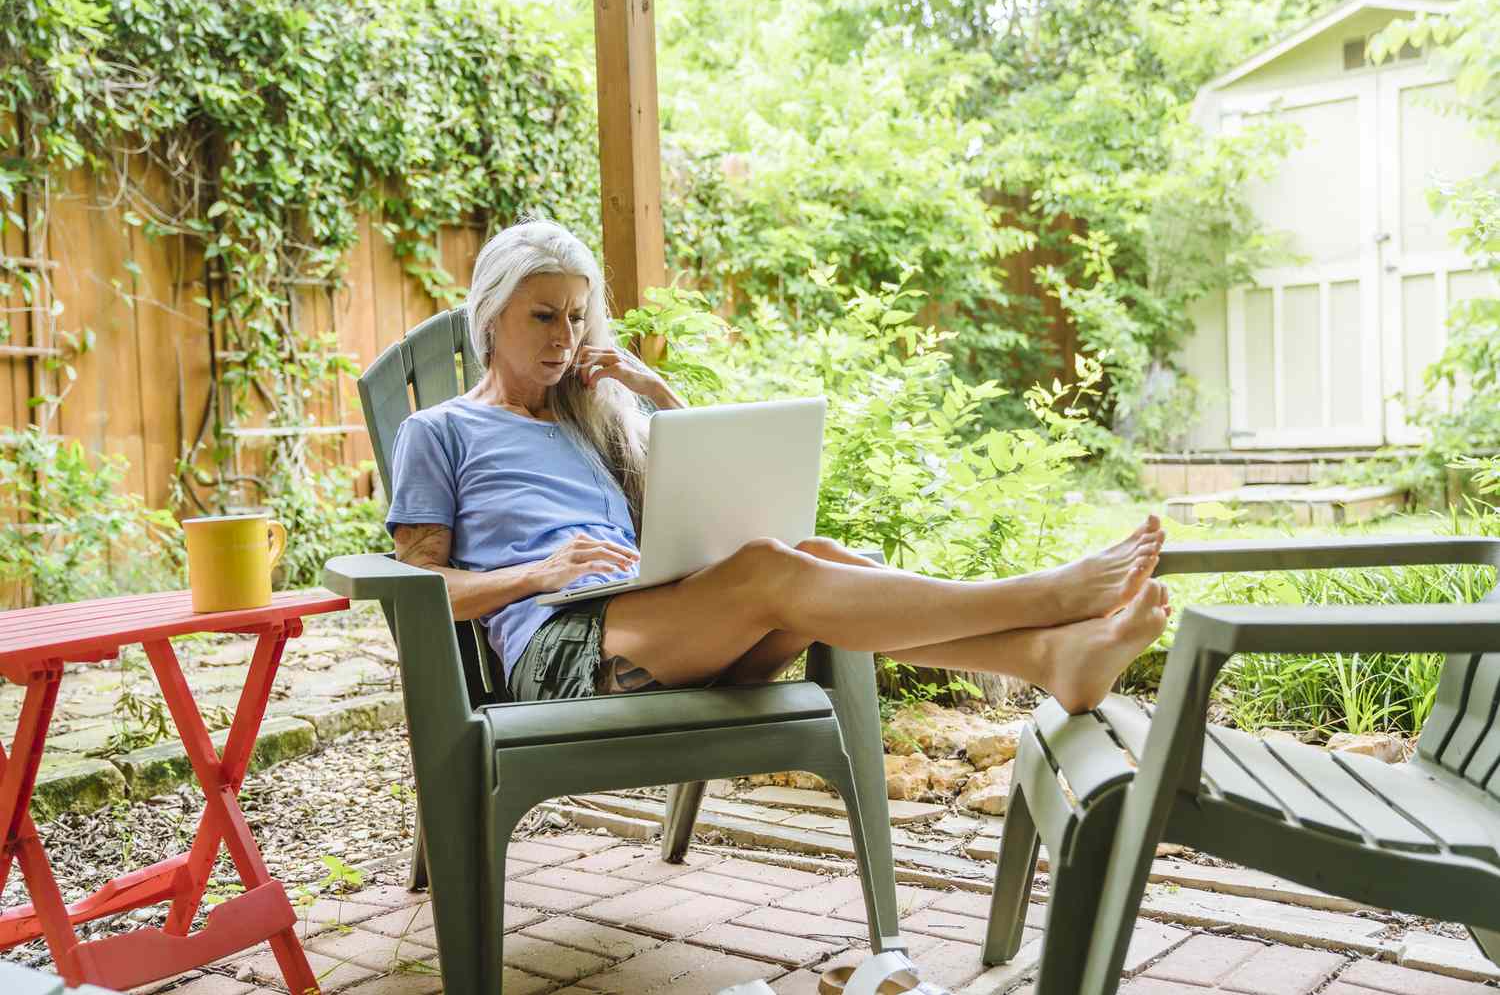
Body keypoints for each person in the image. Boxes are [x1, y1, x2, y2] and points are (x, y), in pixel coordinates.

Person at [386, 220, 1170, 715]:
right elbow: (421, 592)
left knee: (813, 559)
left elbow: (708, 500)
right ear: (490, 318)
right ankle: (1044, 598)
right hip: (561, 651)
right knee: (769, 570)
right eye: (543, 315)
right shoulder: (440, 430)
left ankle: (1049, 658)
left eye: (577, 315)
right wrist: (537, 574)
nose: (564, 335)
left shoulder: (590, 420)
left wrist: (655, 393)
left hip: (654, 623)